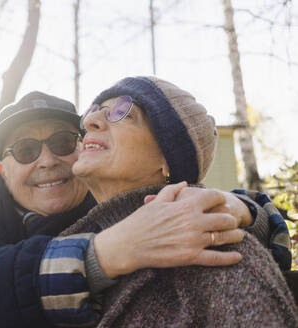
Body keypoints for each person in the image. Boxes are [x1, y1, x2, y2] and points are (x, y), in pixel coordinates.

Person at [0, 91, 290, 327]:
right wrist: (107, 252)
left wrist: (233, 208)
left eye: (61, 143)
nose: (47, 161)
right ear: (1, 170)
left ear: (84, 148)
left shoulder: (115, 197)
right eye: (26, 150)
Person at [51, 76, 297, 327]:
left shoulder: (217, 249)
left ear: (168, 158)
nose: (91, 121)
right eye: (93, 111)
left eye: (122, 112)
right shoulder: (67, 245)